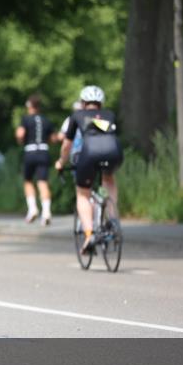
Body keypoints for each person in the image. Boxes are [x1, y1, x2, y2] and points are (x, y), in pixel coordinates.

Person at [56, 86, 123, 253]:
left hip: (89, 155)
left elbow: (67, 145)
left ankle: (89, 234)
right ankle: (112, 219)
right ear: (101, 104)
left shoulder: (77, 115)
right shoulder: (110, 115)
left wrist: (61, 162)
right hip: (113, 153)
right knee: (108, 180)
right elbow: (108, 134)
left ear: (83, 103)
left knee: (83, 193)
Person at [16, 94, 57, 225]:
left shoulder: (26, 119)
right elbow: (53, 138)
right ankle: (46, 212)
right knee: (42, 182)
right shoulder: (46, 120)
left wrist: (20, 140)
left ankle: (33, 209)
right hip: (44, 151)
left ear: (29, 106)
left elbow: (20, 134)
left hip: (30, 151)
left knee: (28, 181)